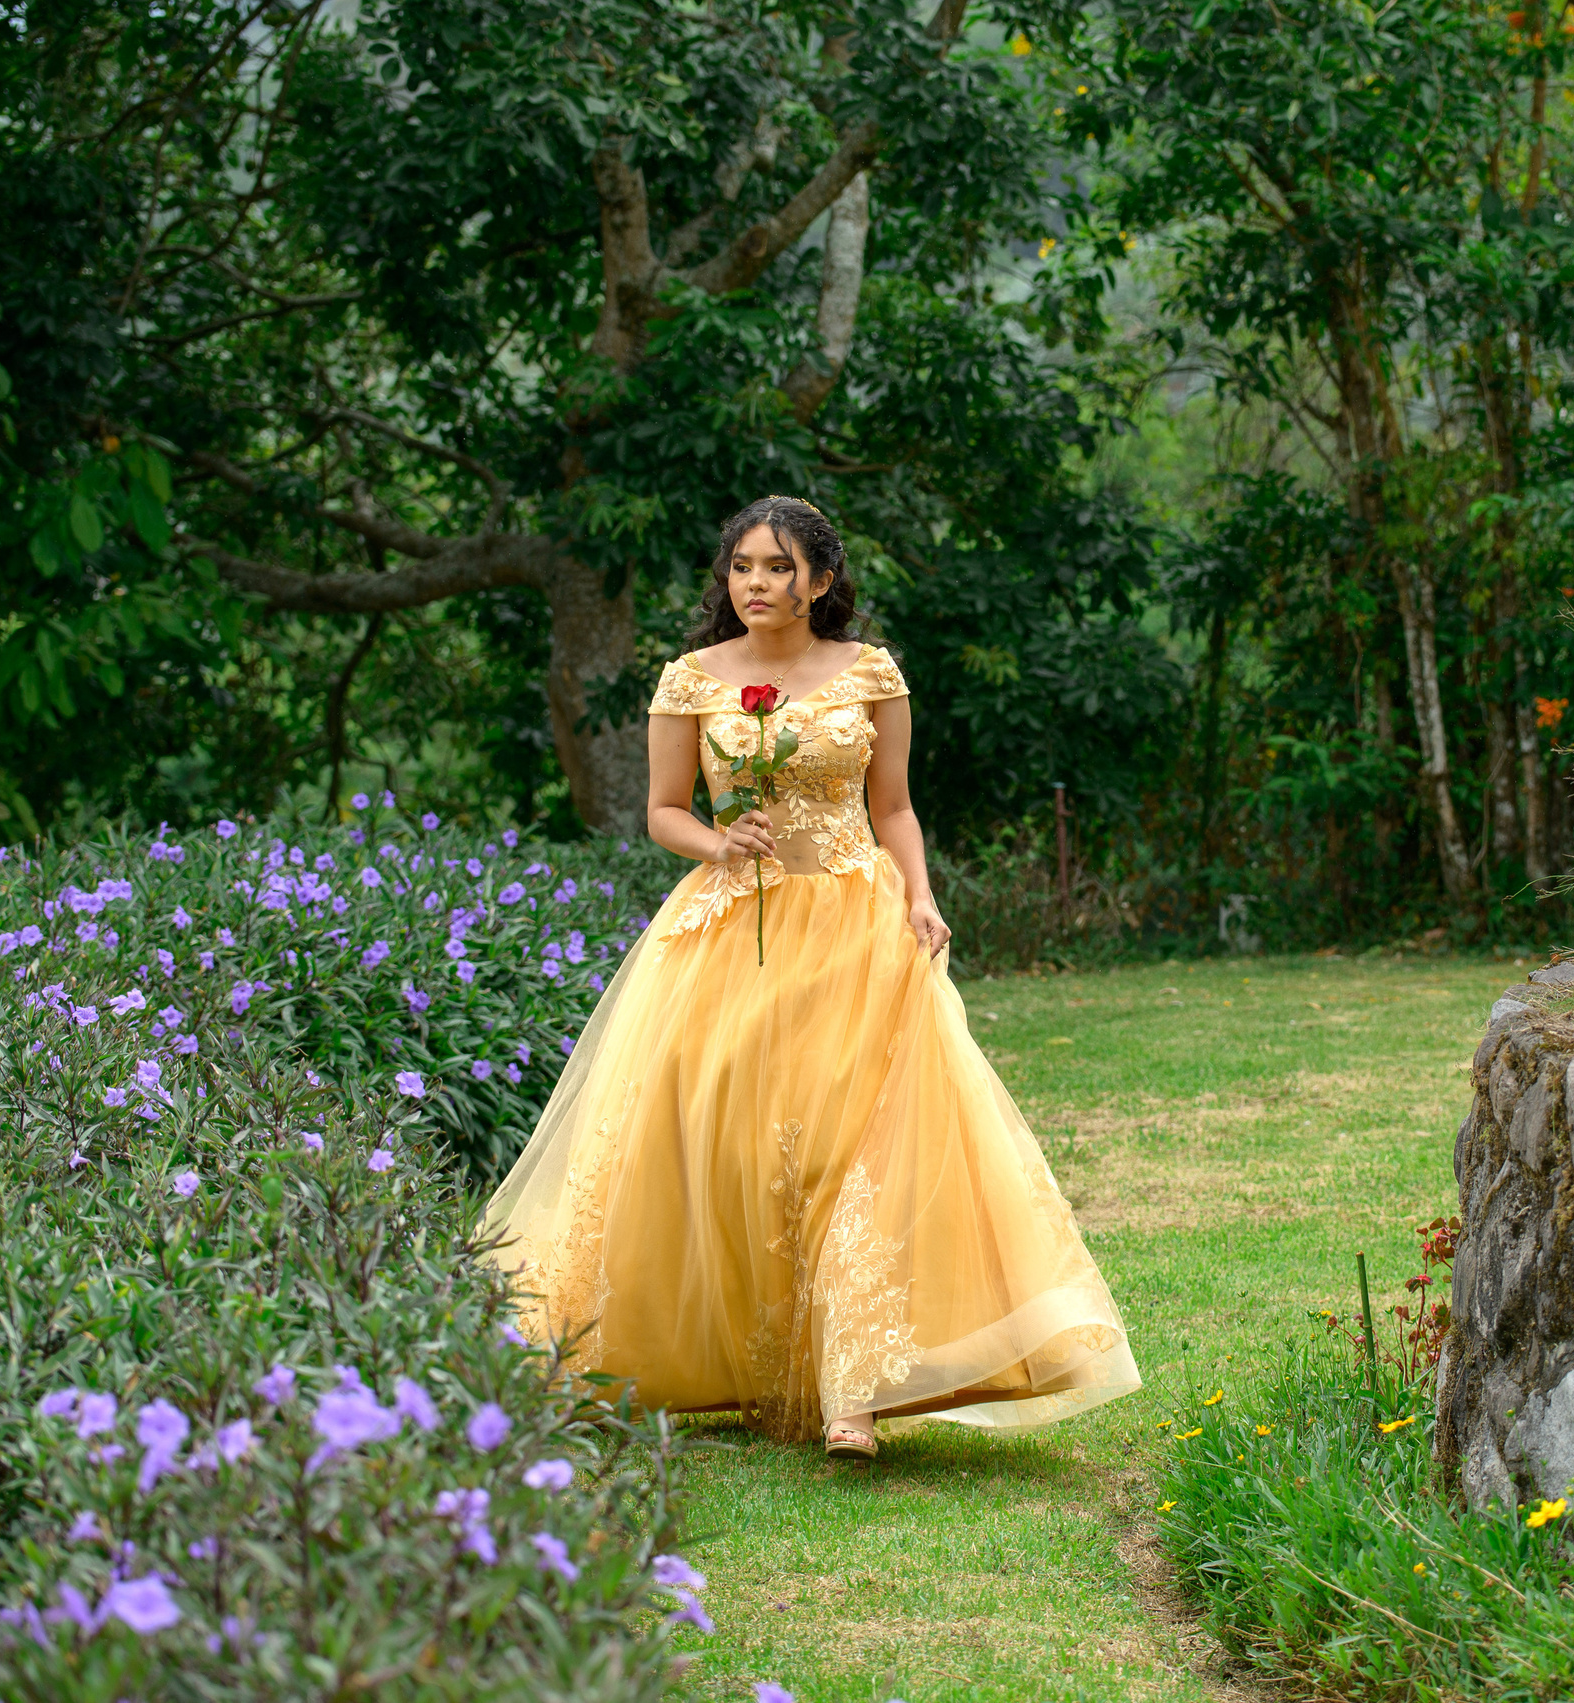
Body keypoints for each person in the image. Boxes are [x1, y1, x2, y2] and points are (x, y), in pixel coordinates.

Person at [484, 496, 1139, 1458]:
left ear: (820, 581)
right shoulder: (689, 680)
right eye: (743, 566)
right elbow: (664, 810)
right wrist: (719, 839)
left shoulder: (870, 671)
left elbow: (898, 809)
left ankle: (855, 1393)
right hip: (729, 928)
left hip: (852, 921)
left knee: (852, 1148)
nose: (757, 583)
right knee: (732, 1144)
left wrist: (919, 895)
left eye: (779, 567)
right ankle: (718, 1360)